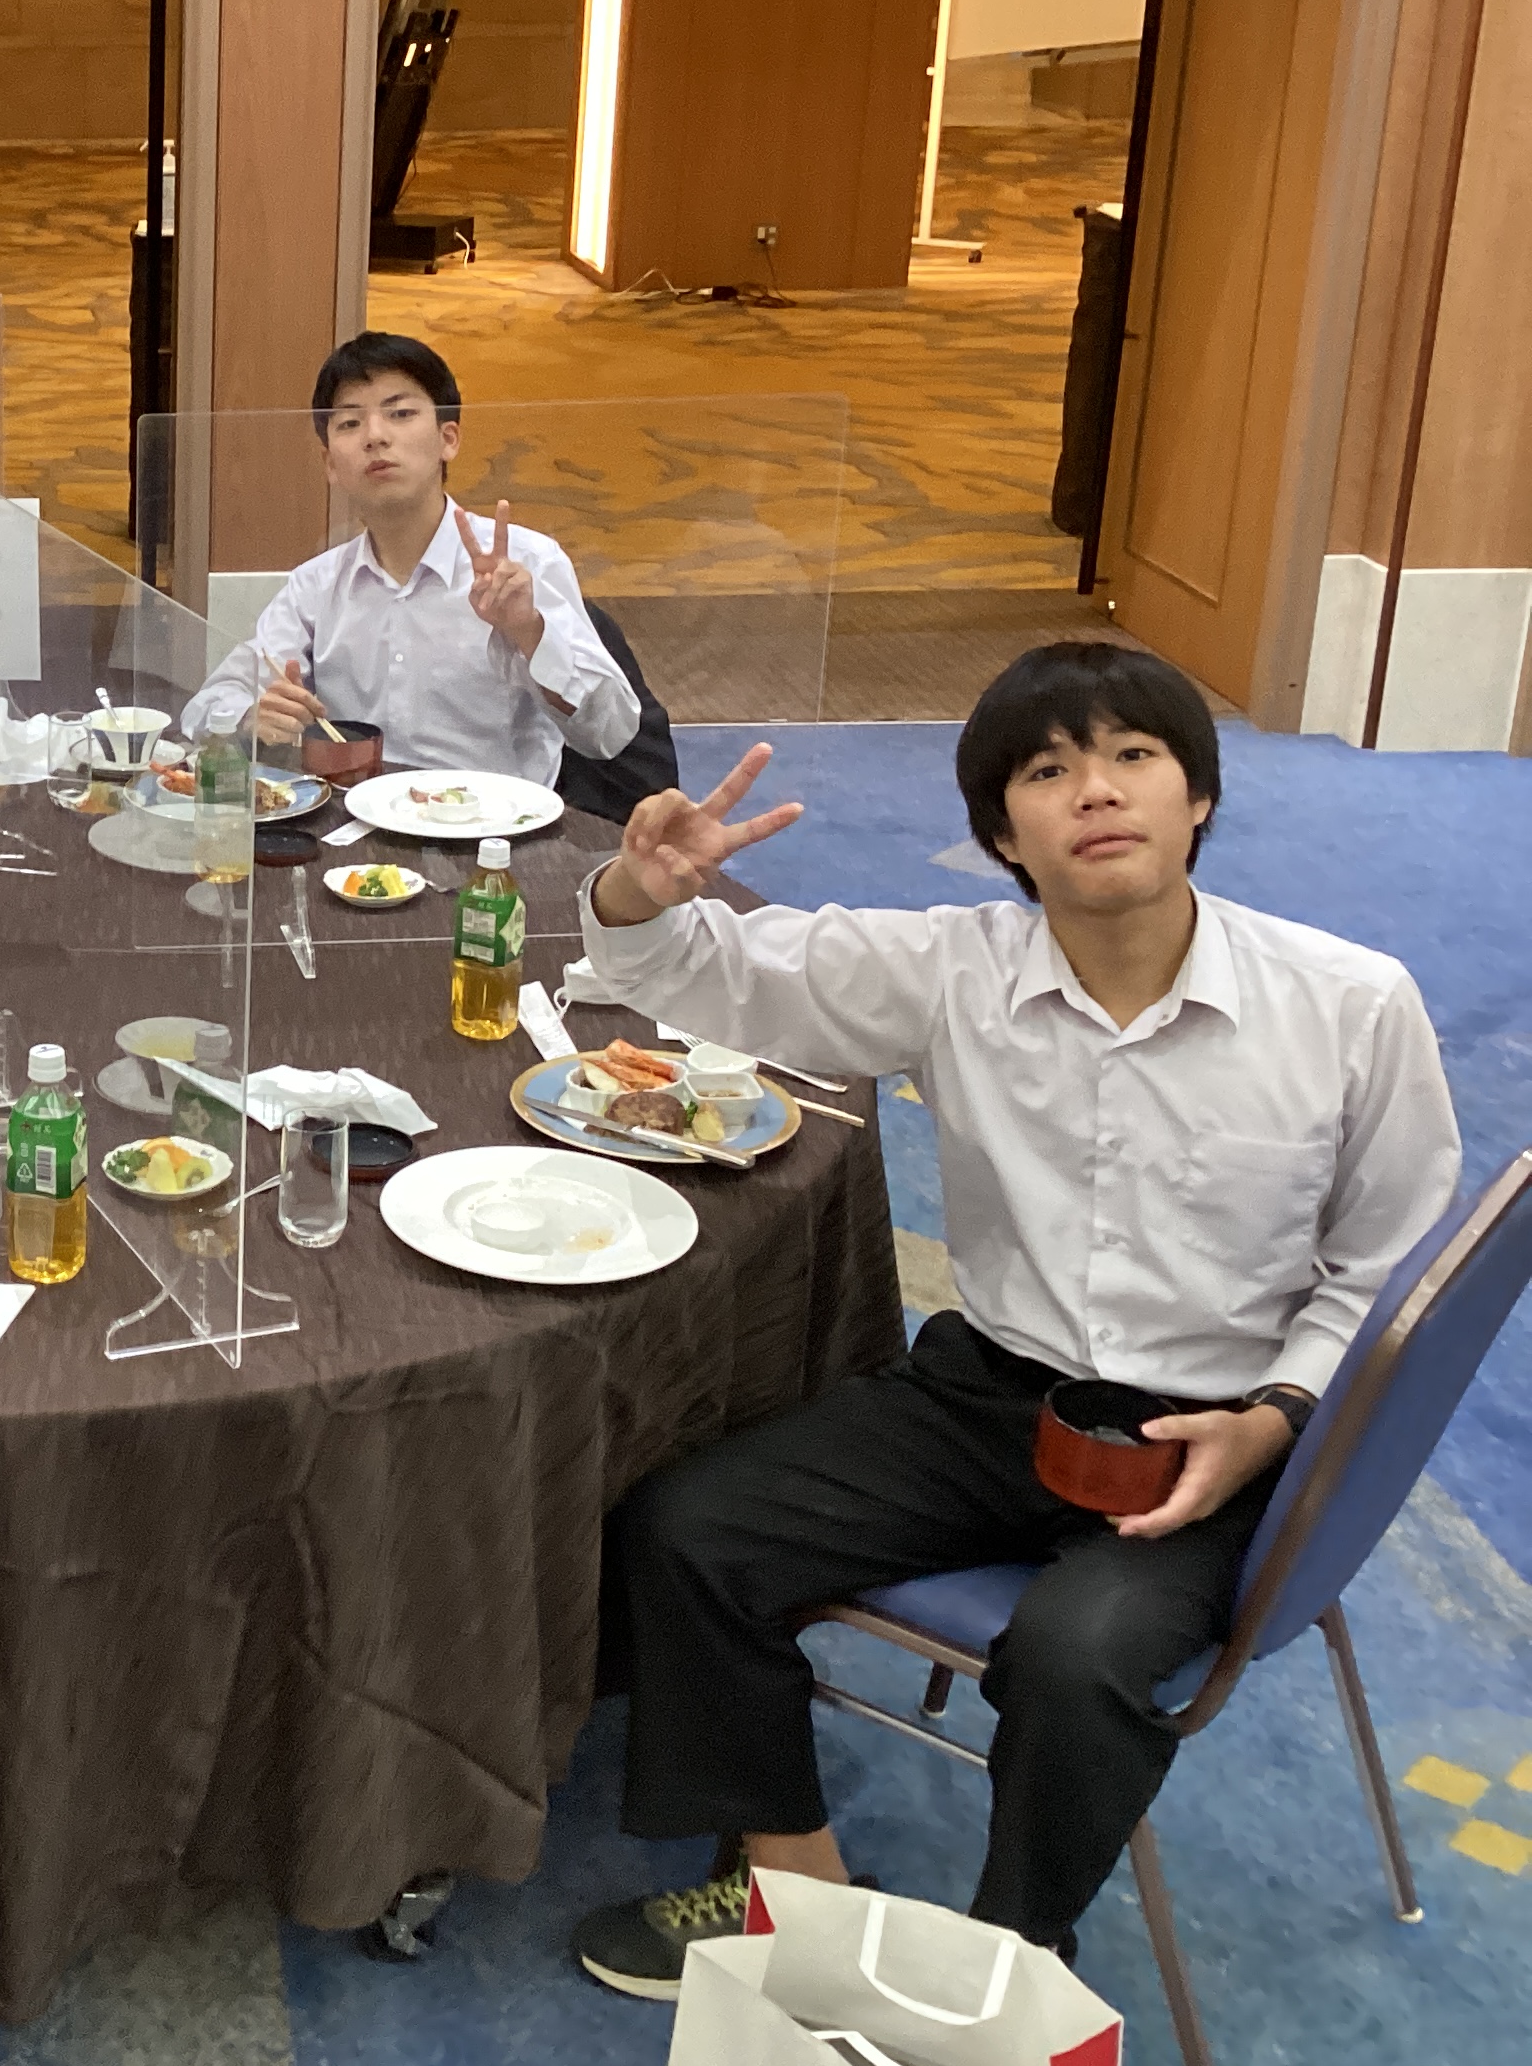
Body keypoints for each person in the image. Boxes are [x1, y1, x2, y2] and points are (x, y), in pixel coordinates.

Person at [565, 641, 1458, 1994]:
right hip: (991, 1396)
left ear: (1198, 799)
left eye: (1134, 756)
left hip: (1215, 1436)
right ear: (1002, 836)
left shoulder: (1349, 1005)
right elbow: (702, 975)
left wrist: (1276, 1421)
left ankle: (1006, 1968)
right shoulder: (952, 969)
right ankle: (790, 1889)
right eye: (1049, 771)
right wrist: (640, 889)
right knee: (688, 1530)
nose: (1096, 790)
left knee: (1077, 1654)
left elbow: (1387, 1273)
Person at [180, 332, 638, 782]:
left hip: (495, 821)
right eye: (350, 423)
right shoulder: (315, 585)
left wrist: (530, 631)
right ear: (330, 465)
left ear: (448, 439)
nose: (375, 436)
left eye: (400, 413)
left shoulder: (527, 561)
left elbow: (612, 732)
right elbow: (207, 706)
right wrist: (250, 717)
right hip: (354, 817)